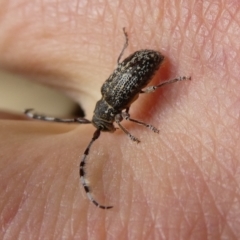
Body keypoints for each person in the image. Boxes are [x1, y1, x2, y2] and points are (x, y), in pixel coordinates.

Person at [0, 1, 239, 239]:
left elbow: (125, 120)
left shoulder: (115, 103)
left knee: (147, 90)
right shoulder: (106, 93)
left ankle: (176, 81)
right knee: (133, 83)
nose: (111, 126)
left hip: (148, 63)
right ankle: (150, 63)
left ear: (106, 116)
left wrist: (137, 131)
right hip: (139, 63)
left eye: (107, 125)